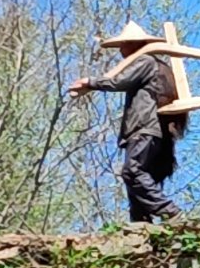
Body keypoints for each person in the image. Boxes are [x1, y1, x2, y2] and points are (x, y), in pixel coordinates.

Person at [68, 21, 185, 223]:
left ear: (133, 44)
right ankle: (141, 226)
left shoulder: (145, 62)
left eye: (123, 45)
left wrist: (90, 82)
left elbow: (119, 82)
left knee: (133, 170)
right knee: (137, 180)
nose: (121, 50)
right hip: (155, 131)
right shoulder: (158, 66)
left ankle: (171, 213)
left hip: (145, 127)